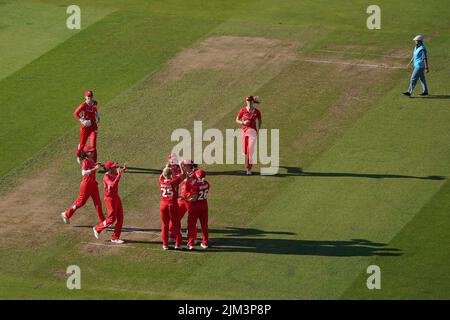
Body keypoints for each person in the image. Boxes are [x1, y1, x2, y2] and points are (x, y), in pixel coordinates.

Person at [61, 146, 104, 224]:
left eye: (92, 151)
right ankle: (67, 214)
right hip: (86, 185)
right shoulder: (85, 161)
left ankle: (103, 221)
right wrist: (95, 168)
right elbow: (83, 173)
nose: (92, 153)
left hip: (93, 184)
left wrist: (97, 165)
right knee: (81, 203)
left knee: (98, 203)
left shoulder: (91, 160)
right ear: (87, 153)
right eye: (91, 152)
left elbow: (92, 168)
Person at [93, 160, 127, 244]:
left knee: (120, 217)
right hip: (109, 199)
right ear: (110, 169)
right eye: (114, 166)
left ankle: (115, 238)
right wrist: (119, 175)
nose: (115, 167)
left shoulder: (114, 173)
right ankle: (97, 229)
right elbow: (112, 185)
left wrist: (123, 169)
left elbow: (119, 173)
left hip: (116, 197)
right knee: (112, 219)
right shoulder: (106, 177)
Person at [181, 169, 210, 250]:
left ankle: (190, 244)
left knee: (191, 225)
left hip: (195, 207)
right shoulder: (207, 184)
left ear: (197, 176)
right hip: (204, 206)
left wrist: (185, 198)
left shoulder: (195, 185)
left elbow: (194, 198)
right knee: (204, 226)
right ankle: (205, 243)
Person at [159, 165, 185, 250]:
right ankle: (178, 244)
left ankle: (165, 244)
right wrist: (181, 167)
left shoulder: (161, 181)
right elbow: (183, 175)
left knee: (164, 225)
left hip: (163, 205)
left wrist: (166, 168)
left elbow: (161, 176)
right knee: (176, 225)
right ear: (171, 174)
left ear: (164, 174)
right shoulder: (173, 182)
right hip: (172, 205)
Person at [169, 159, 196, 242]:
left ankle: (192, 238)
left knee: (192, 220)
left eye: (184, 165)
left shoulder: (194, 174)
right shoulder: (185, 172)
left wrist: (181, 168)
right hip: (182, 199)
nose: (182, 166)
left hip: (190, 199)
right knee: (175, 217)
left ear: (187, 166)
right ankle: (172, 234)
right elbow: (180, 177)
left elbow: (188, 178)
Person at [235, 96, 262, 175]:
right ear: (246, 101)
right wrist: (243, 123)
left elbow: (260, 120)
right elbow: (236, 120)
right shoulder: (242, 110)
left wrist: (259, 128)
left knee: (250, 150)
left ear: (253, 102)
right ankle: (245, 151)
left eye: (250, 101)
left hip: (253, 132)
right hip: (244, 132)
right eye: (248, 101)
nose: (249, 102)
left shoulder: (257, 112)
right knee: (245, 150)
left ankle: (249, 168)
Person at [74, 90, 100, 163]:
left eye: (91, 96)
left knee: (93, 147)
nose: (89, 98)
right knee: (82, 145)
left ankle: (94, 162)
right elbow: (75, 114)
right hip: (85, 128)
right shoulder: (83, 105)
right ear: (85, 97)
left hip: (93, 127)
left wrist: (97, 115)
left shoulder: (95, 103)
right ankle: (79, 155)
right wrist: (83, 121)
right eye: (88, 96)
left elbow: (95, 109)